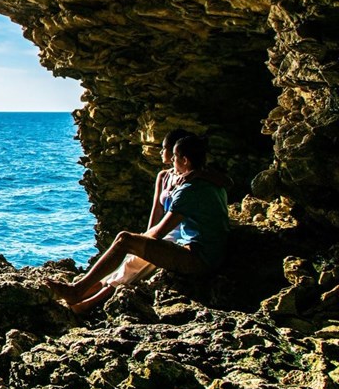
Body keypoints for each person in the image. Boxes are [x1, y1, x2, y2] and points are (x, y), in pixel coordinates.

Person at [47, 133, 230, 313]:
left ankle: (77, 291)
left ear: (184, 160)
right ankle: (83, 296)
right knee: (128, 253)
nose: (171, 159)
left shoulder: (189, 190)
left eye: (174, 156)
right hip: (209, 253)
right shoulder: (209, 183)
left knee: (124, 240)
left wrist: (133, 243)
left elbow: (158, 233)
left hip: (199, 259)